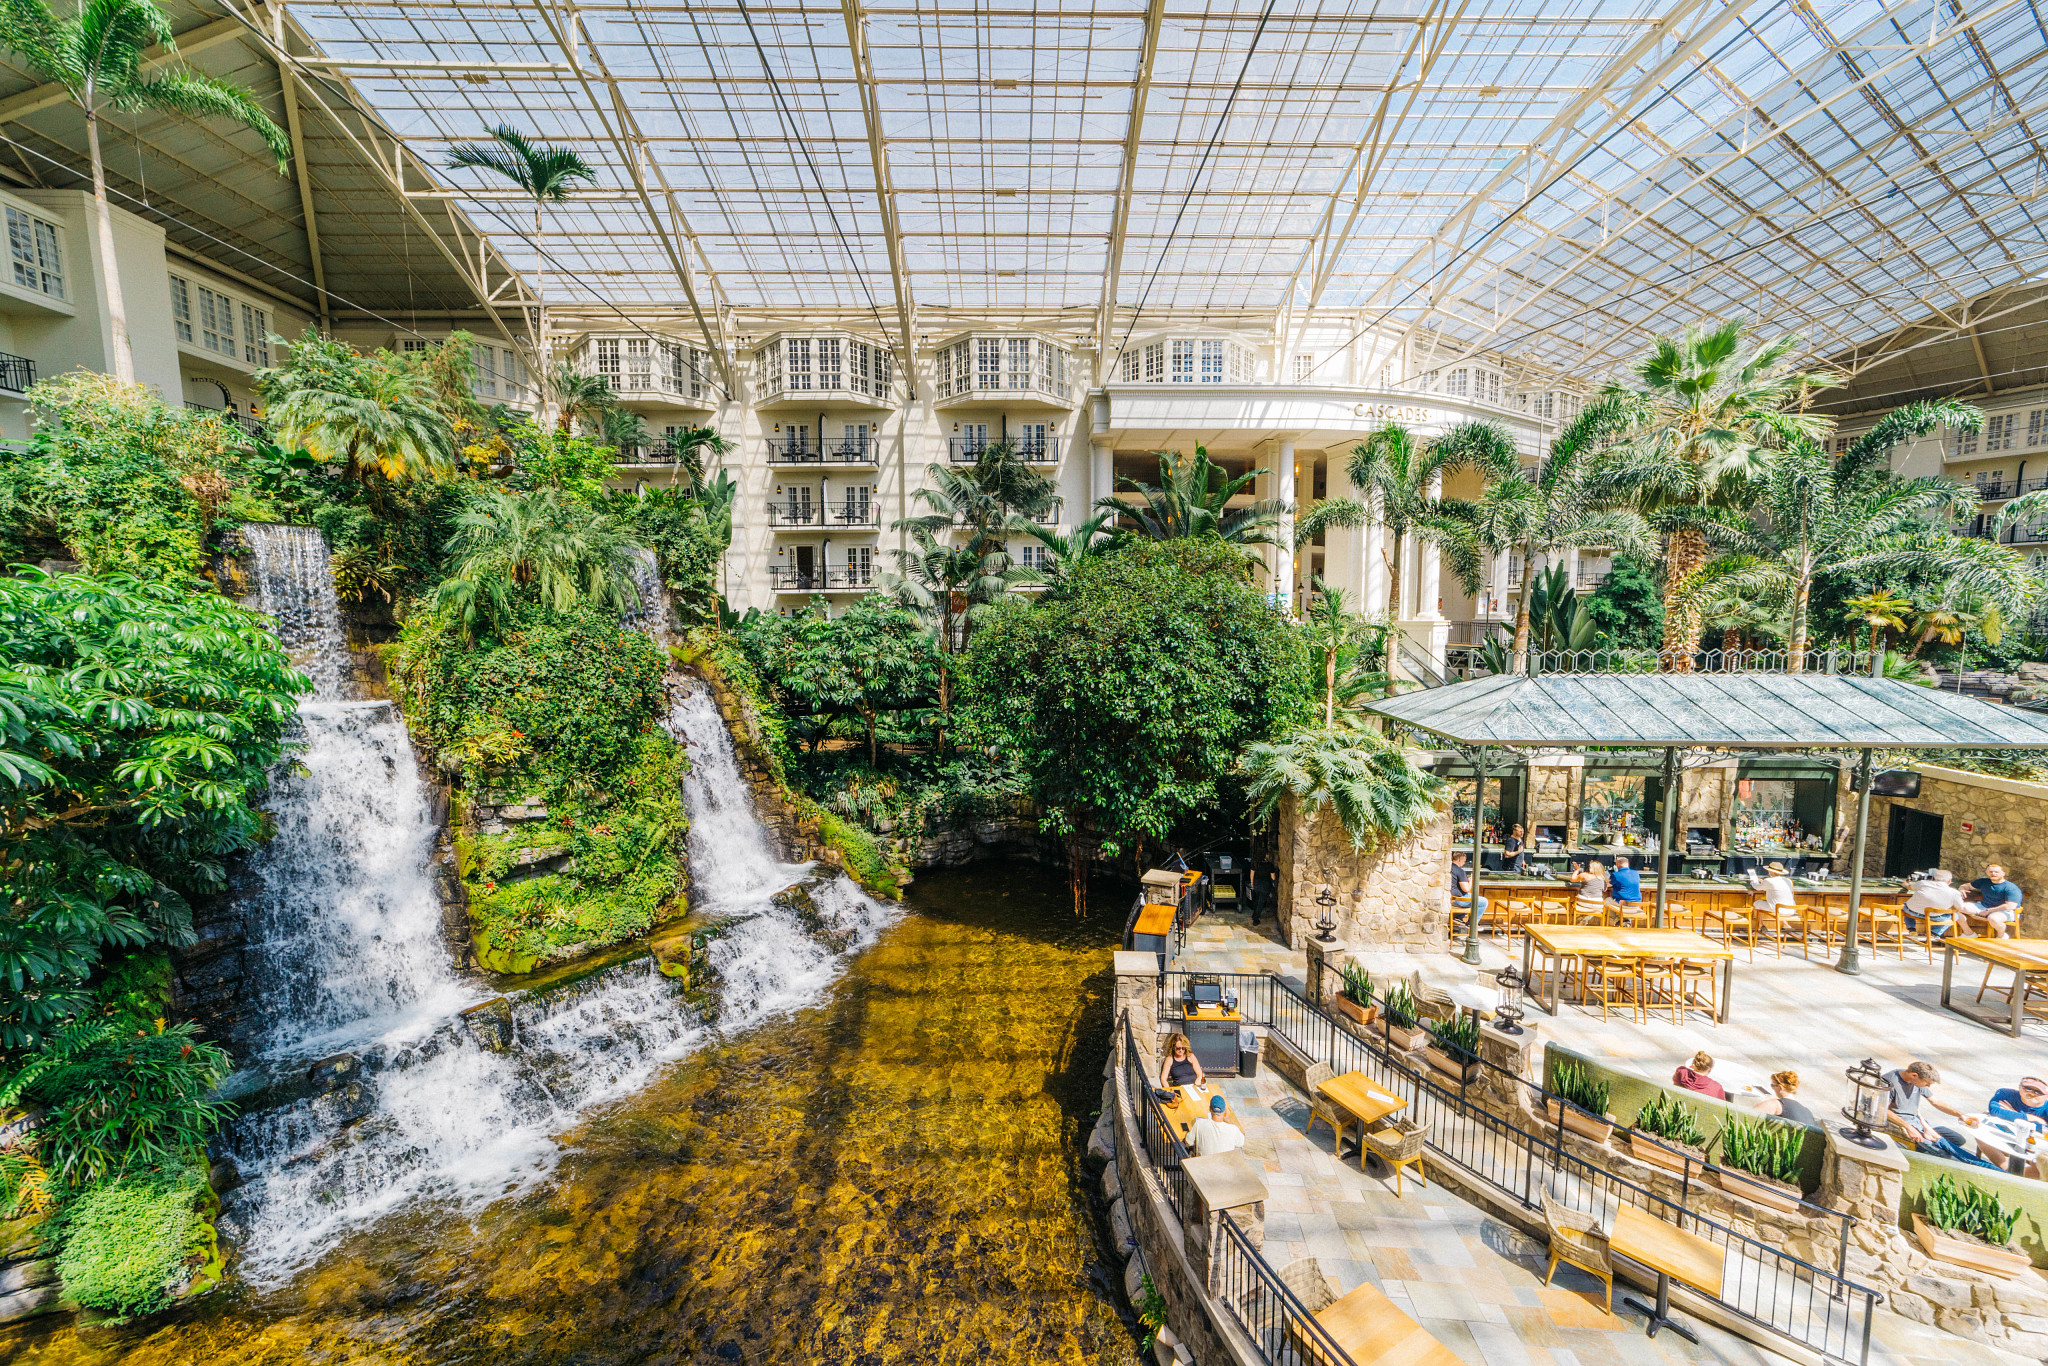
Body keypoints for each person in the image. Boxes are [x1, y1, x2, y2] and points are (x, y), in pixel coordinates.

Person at [1883, 1060, 2000, 1168]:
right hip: (1902, 1123)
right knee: (1944, 1154)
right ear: (1914, 1075)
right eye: (1927, 1083)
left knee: (1958, 1140)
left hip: (1917, 1121)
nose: (1928, 1086)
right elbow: (1883, 1109)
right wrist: (1909, 1127)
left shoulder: (1916, 1082)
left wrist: (1960, 1115)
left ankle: (1931, 1149)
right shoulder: (1890, 1081)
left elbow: (1936, 1102)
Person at [1904, 869, 1967, 940]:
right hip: (1934, 916)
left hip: (1912, 912)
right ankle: (1933, 933)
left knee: (1906, 905)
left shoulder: (1922, 883)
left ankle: (1911, 928)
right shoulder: (1955, 893)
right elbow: (1959, 908)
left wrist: (1904, 883)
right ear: (1949, 881)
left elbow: (1909, 887)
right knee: (1955, 916)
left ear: (1933, 878)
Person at [1963, 865, 2024, 939]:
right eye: (1991, 872)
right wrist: (1962, 889)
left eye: (1996, 872)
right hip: (1984, 906)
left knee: (1993, 918)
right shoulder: (1984, 881)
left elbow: (2010, 906)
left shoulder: (2011, 888)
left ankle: (2001, 936)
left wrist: (1989, 910)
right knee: (1958, 907)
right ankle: (1969, 933)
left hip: (2006, 911)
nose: (1993, 874)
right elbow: (1967, 886)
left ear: (2003, 873)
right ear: (1987, 872)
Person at [1745, 861, 1798, 932]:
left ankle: (1761, 925)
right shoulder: (1788, 881)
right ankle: (1786, 924)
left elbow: (1757, 887)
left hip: (1778, 909)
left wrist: (1753, 881)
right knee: (1780, 903)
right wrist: (1763, 882)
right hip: (1791, 910)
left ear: (1771, 872)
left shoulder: (1769, 881)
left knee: (1757, 903)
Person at [1449, 850, 1488, 934]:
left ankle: (1459, 917)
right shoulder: (1460, 871)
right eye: (1464, 861)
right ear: (1459, 859)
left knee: (1473, 896)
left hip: (1451, 898)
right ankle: (1472, 923)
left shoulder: (1449, 867)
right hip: (1459, 900)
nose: (1464, 863)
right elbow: (1466, 889)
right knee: (1484, 902)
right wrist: (1471, 881)